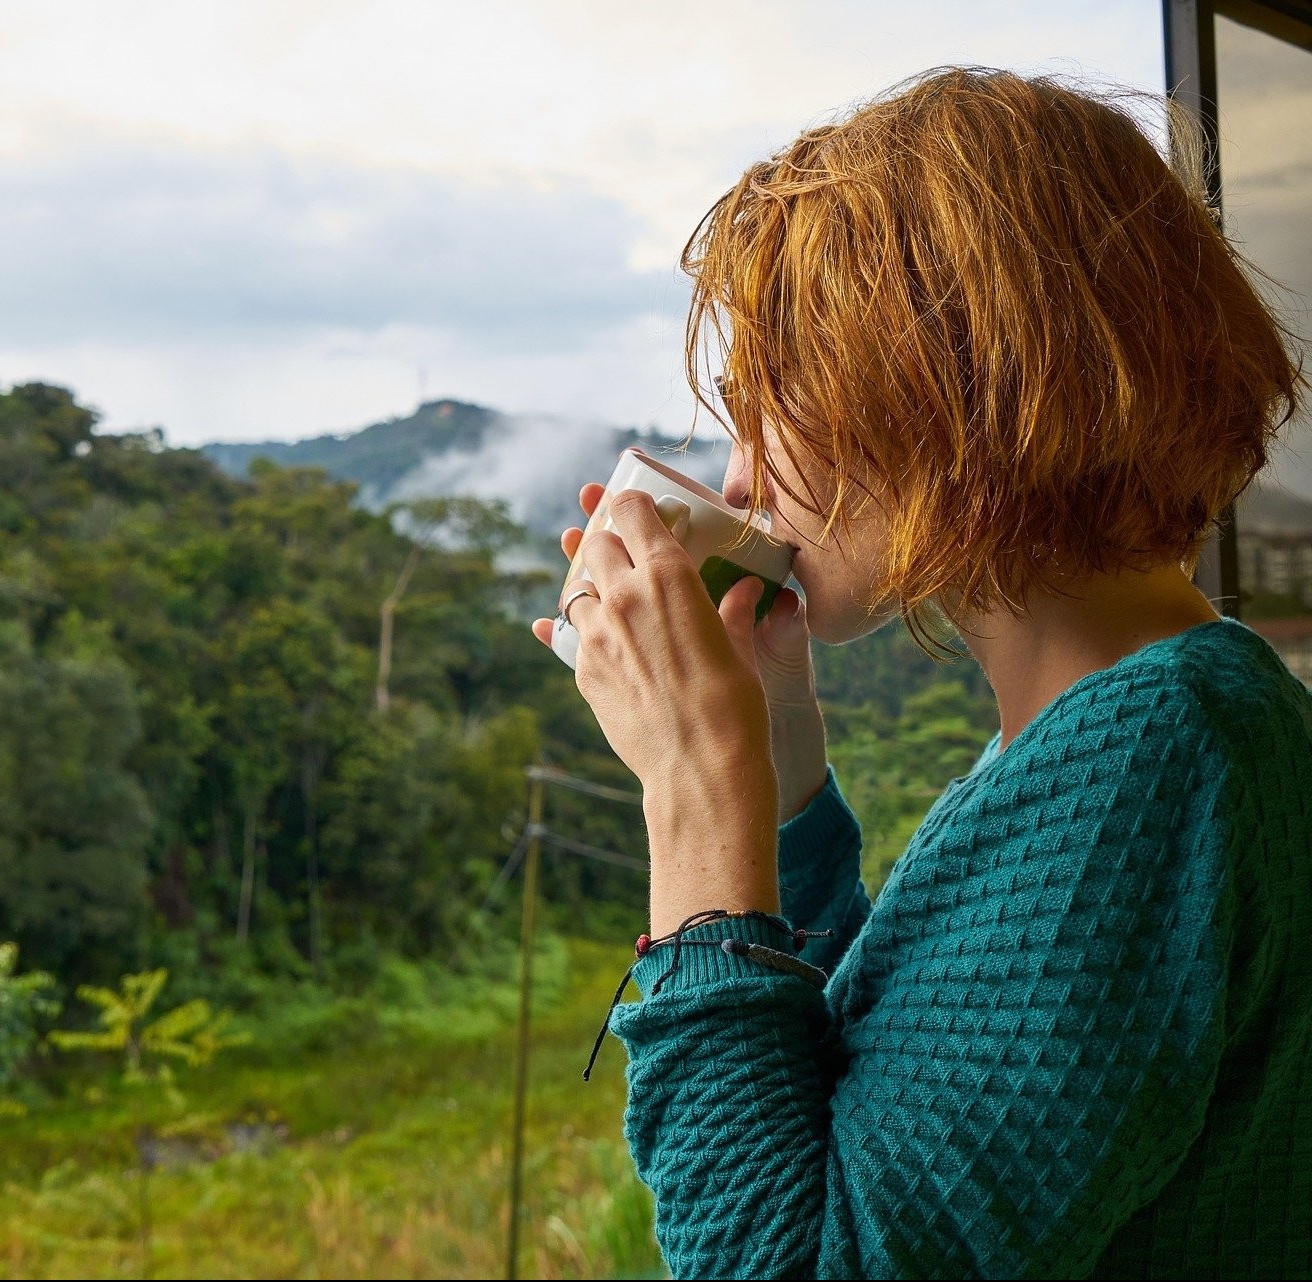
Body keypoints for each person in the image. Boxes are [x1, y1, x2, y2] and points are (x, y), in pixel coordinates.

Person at [532, 67, 1310, 1278]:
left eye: (767, 409)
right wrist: (783, 778)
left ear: (945, 385)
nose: (737, 483)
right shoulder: (1121, 720)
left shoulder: (1157, 753)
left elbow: (793, 1258)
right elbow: (891, 1095)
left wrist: (694, 794)